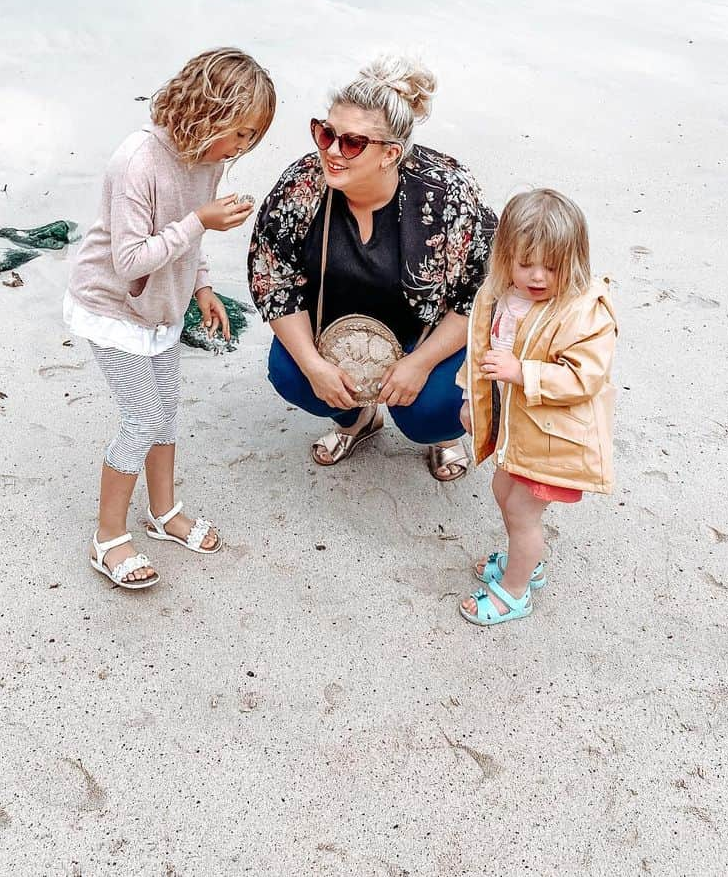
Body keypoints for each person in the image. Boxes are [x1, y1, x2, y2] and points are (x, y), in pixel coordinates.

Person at [66, 48, 276, 590]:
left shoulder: (209, 161)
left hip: (162, 307)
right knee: (140, 418)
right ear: (208, 111)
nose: (242, 149)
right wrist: (198, 221)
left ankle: (163, 511)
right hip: (113, 306)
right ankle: (107, 537)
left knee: (167, 410)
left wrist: (202, 286)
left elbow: (190, 239)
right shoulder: (136, 160)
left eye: (252, 138)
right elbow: (130, 259)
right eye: (241, 133)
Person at [248, 55, 495, 481]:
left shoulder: (447, 195)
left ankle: (442, 438)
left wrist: (419, 364)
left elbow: (479, 292)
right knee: (289, 371)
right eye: (325, 134)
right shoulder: (302, 186)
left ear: (390, 154)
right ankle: (357, 421)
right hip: (340, 330)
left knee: (434, 410)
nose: (330, 151)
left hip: (423, 334)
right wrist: (313, 364)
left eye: (352, 143)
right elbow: (274, 279)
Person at [457, 189, 617, 625]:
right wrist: (472, 396)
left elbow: (585, 377)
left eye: (552, 265)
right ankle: (524, 561)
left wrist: (522, 372)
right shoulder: (500, 296)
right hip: (518, 428)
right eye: (525, 262)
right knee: (502, 492)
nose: (538, 276)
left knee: (522, 511)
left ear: (575, 260)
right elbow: (481, 352)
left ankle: (515, 590)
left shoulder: (584, 313)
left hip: (553, 437)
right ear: (505, 254)